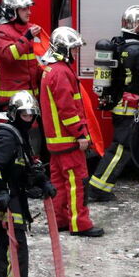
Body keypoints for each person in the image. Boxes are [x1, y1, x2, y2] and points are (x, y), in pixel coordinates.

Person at [0, 91, 55, 277]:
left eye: (32, 115)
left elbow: (28, 166)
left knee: (6, 256)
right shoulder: (7, 137)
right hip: (4, 205)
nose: (30, 119)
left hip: (14, 202)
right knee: (14, 258)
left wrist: (43, 182)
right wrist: (0, 192)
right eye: (25, 115)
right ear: (14, 114)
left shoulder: (19, 136)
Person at [39, 26, 104, 236]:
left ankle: (60, 221)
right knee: (78, 183)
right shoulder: (61, 72)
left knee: (58, 183)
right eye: (73, 50)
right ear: (63, 49)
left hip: (55, 141)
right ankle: (80, 224)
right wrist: (80, 134)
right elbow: (68, 109)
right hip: (67, 141)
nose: (76, 54)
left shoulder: (50, 70)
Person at [88, 5, 139, 201]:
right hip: (131, 109)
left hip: (122, 105)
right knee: (121, 148)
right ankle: (98, 187)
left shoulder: (117, 45)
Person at [0, 0, 41, 107]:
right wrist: (26, 37)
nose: (29, 12)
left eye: (29, 8)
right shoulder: (1, 32)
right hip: (13, 99)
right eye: (24, 9)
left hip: (33, 97)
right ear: (12, 11)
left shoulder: (31, 29)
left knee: (33, 126)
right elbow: (8, 55)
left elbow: (39, 60)